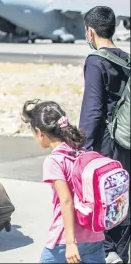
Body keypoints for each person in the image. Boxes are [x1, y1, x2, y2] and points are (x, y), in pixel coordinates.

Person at [22, 100, 106, 264]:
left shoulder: (54, 161)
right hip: (94, 235)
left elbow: (66, 201)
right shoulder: (81, 152)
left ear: (40, 133)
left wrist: (70, 242)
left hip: (65, 240)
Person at [79, 6, 130, 264]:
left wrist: (83, 149)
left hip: (106, 143)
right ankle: (121, 253)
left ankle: (109, 254)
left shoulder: (96, 61)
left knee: (104, 199)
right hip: (127, 140)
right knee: (123, 198)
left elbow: (93, 109)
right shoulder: (126, 59)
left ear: (90, 31)